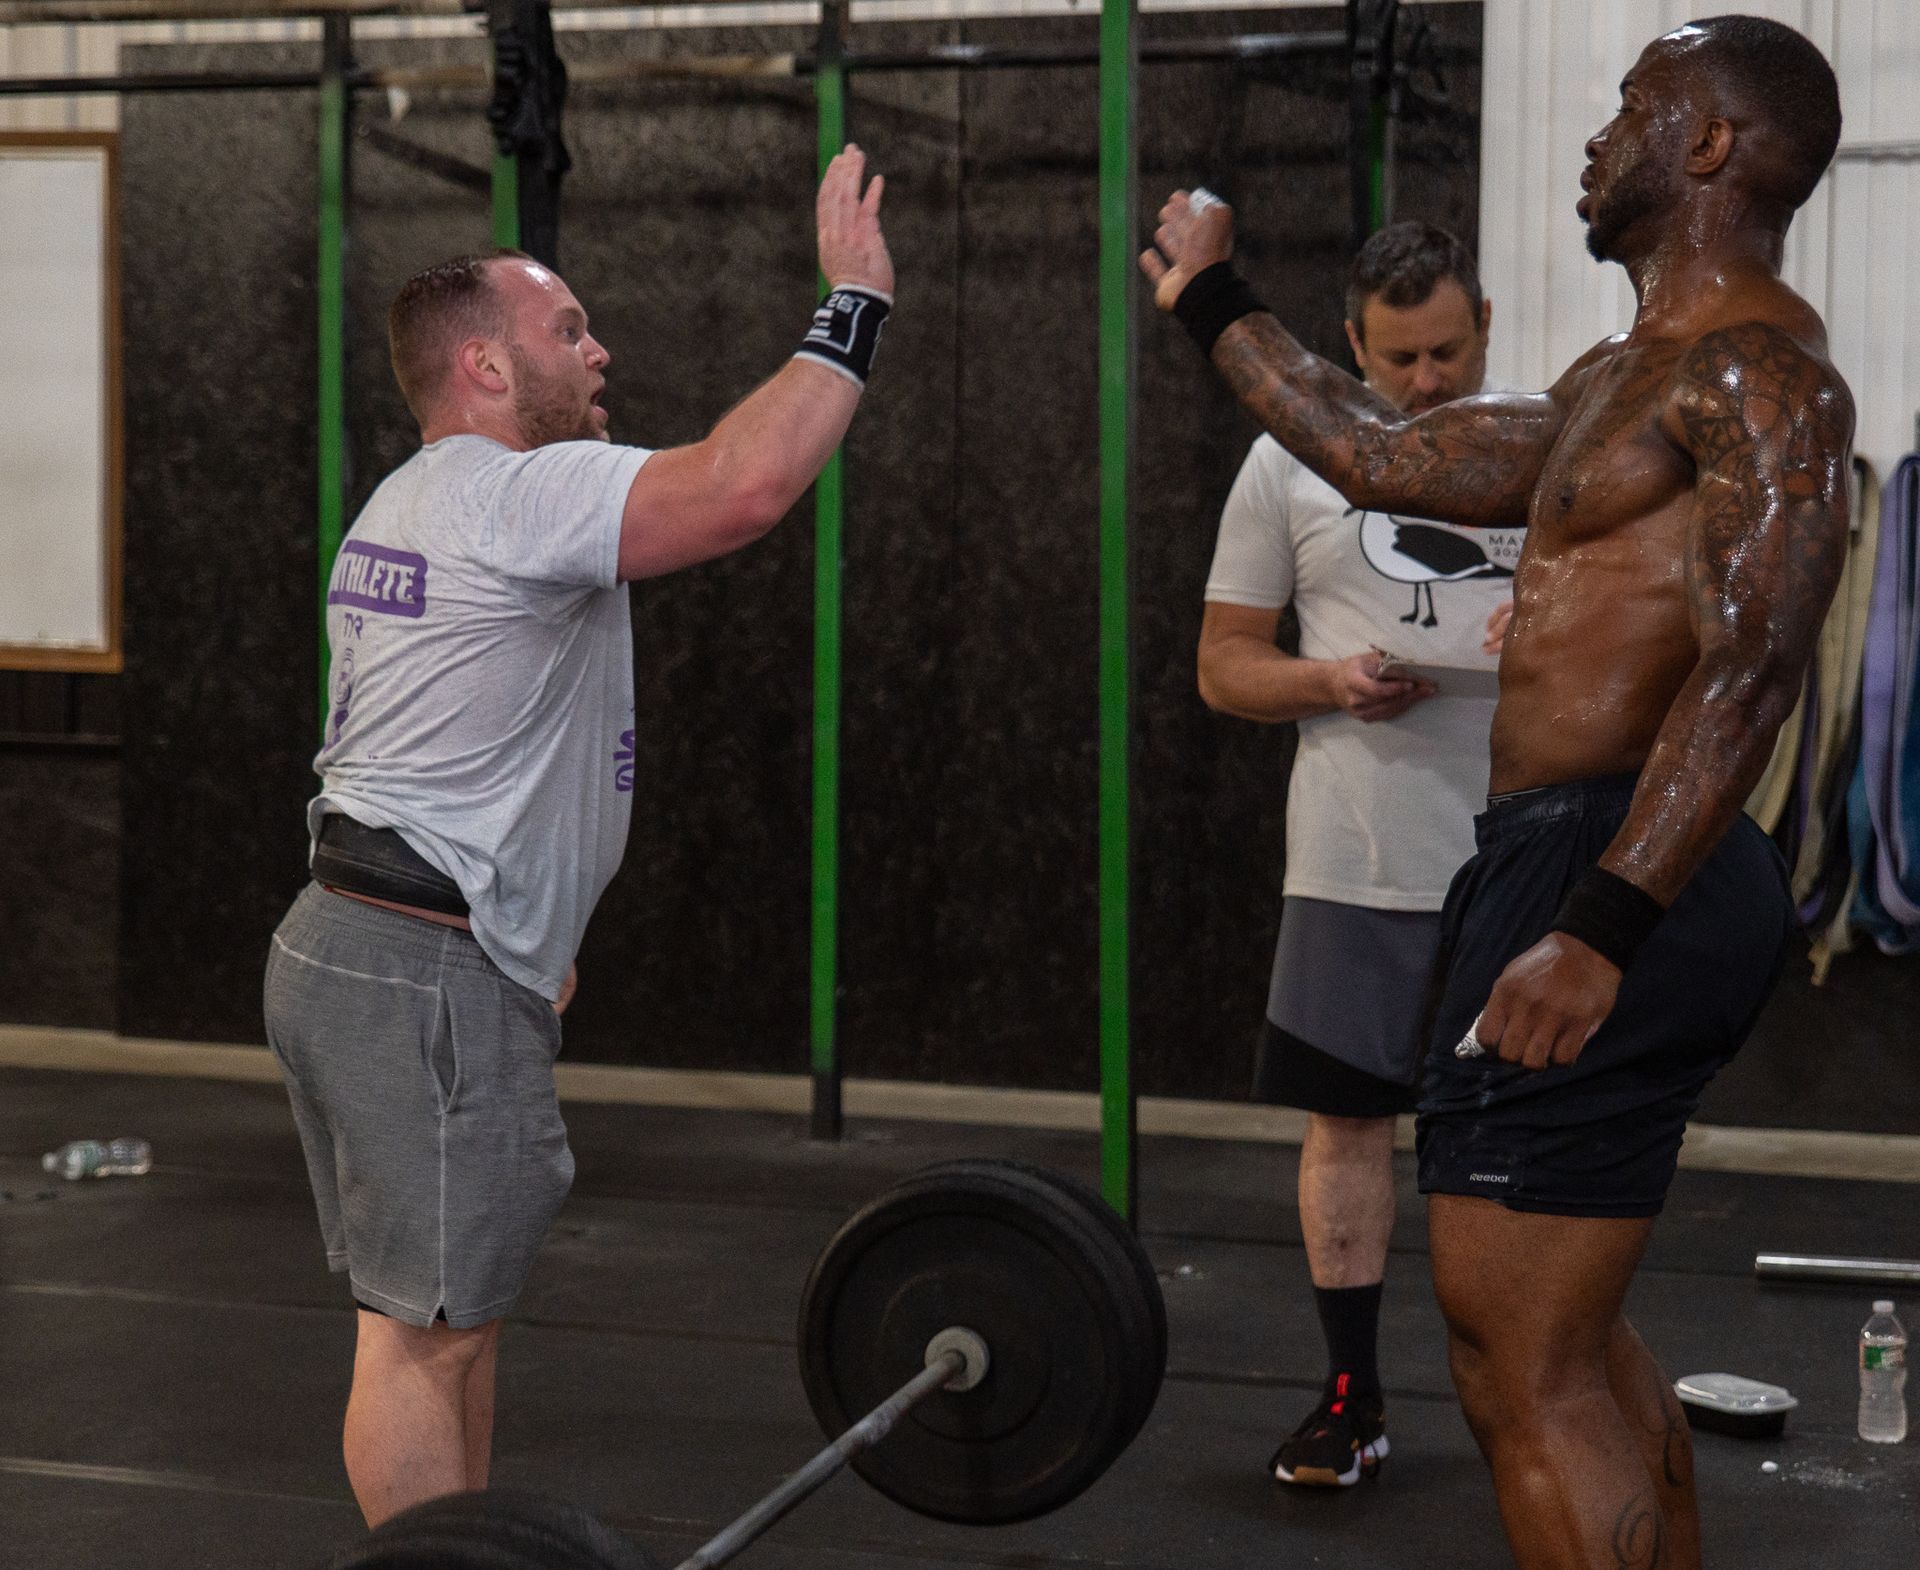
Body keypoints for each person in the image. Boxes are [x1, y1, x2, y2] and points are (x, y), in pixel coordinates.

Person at [1145, 16, 1851, 1568]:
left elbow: (1754, 664)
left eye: (1634, 110)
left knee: (1514, 1366)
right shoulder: (1624, 375)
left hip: (1614, 860)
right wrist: (1211, 298)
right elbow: (1382, 456)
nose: (1600, 143)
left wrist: (1600, 921)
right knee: (1573, 1348)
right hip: (1554, 848)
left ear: (1714, 146)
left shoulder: (1763, 371)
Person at [263, 147, 893, 1527]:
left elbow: (428, 755)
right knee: (424, 1336)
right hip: (415, 967)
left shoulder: (400, 508)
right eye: (568, 328)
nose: (599, 349)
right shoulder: (510, 493)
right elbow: (742, 485)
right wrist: (849, 304)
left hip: (388, 948)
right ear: (483, 366)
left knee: (447, 1320)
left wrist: (521, 933)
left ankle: (462, 1552)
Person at [1197, 221, 1517, 1489]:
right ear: (1350, 346)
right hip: (1354, 858)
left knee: (1516, 1143)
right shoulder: (1288, 462)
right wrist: (1328, 678)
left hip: (1517, 856)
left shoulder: (1547, 452)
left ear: (1485, 320)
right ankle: (1353, 1397)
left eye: (1446, 350)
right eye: (1399, 359)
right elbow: (1224, 666)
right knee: (1346, 1124)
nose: (1427, 381)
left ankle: (1527, 1396)